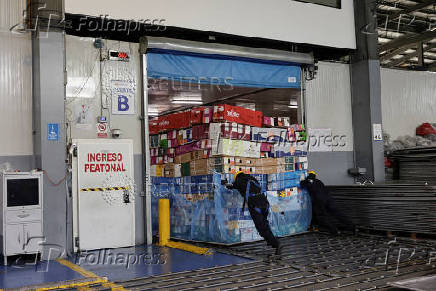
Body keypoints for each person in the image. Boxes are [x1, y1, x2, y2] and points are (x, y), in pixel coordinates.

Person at [223, 171, 283, 255]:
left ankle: (276, 244)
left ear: (237, 177)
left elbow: (232, 186)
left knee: (261, 227)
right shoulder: (253, 179)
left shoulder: (240, 181)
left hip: (255, 205)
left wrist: (225, 184)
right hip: (264, 204)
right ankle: (270, 240)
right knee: (265, 224)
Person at [300, 171, 356, 235]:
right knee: (337, 213)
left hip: (319, 200)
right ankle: (352, 226)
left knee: (321, 216)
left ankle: (335, 231)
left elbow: (301, 184)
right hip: (328, 198)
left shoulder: (307, 181)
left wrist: (301, 179)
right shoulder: (319, 181)